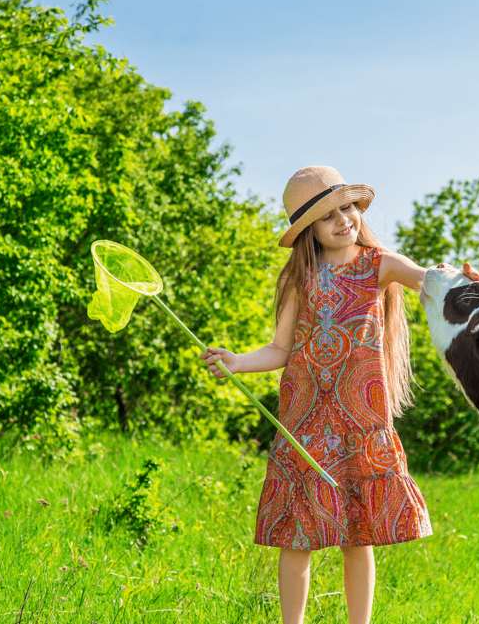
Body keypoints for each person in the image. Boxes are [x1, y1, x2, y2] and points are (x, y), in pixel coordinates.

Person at [200, 165, 432, 624]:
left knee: (358, 534)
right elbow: (280, 348)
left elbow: (428, 279)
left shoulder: (378, 264)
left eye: (348, 207)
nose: (344, 219)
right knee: (296, 536)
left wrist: (466, 283)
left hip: (362, 420)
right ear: (310, 231)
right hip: (305, 422)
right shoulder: (297, 277)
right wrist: (237, 361)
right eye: (330, 216)